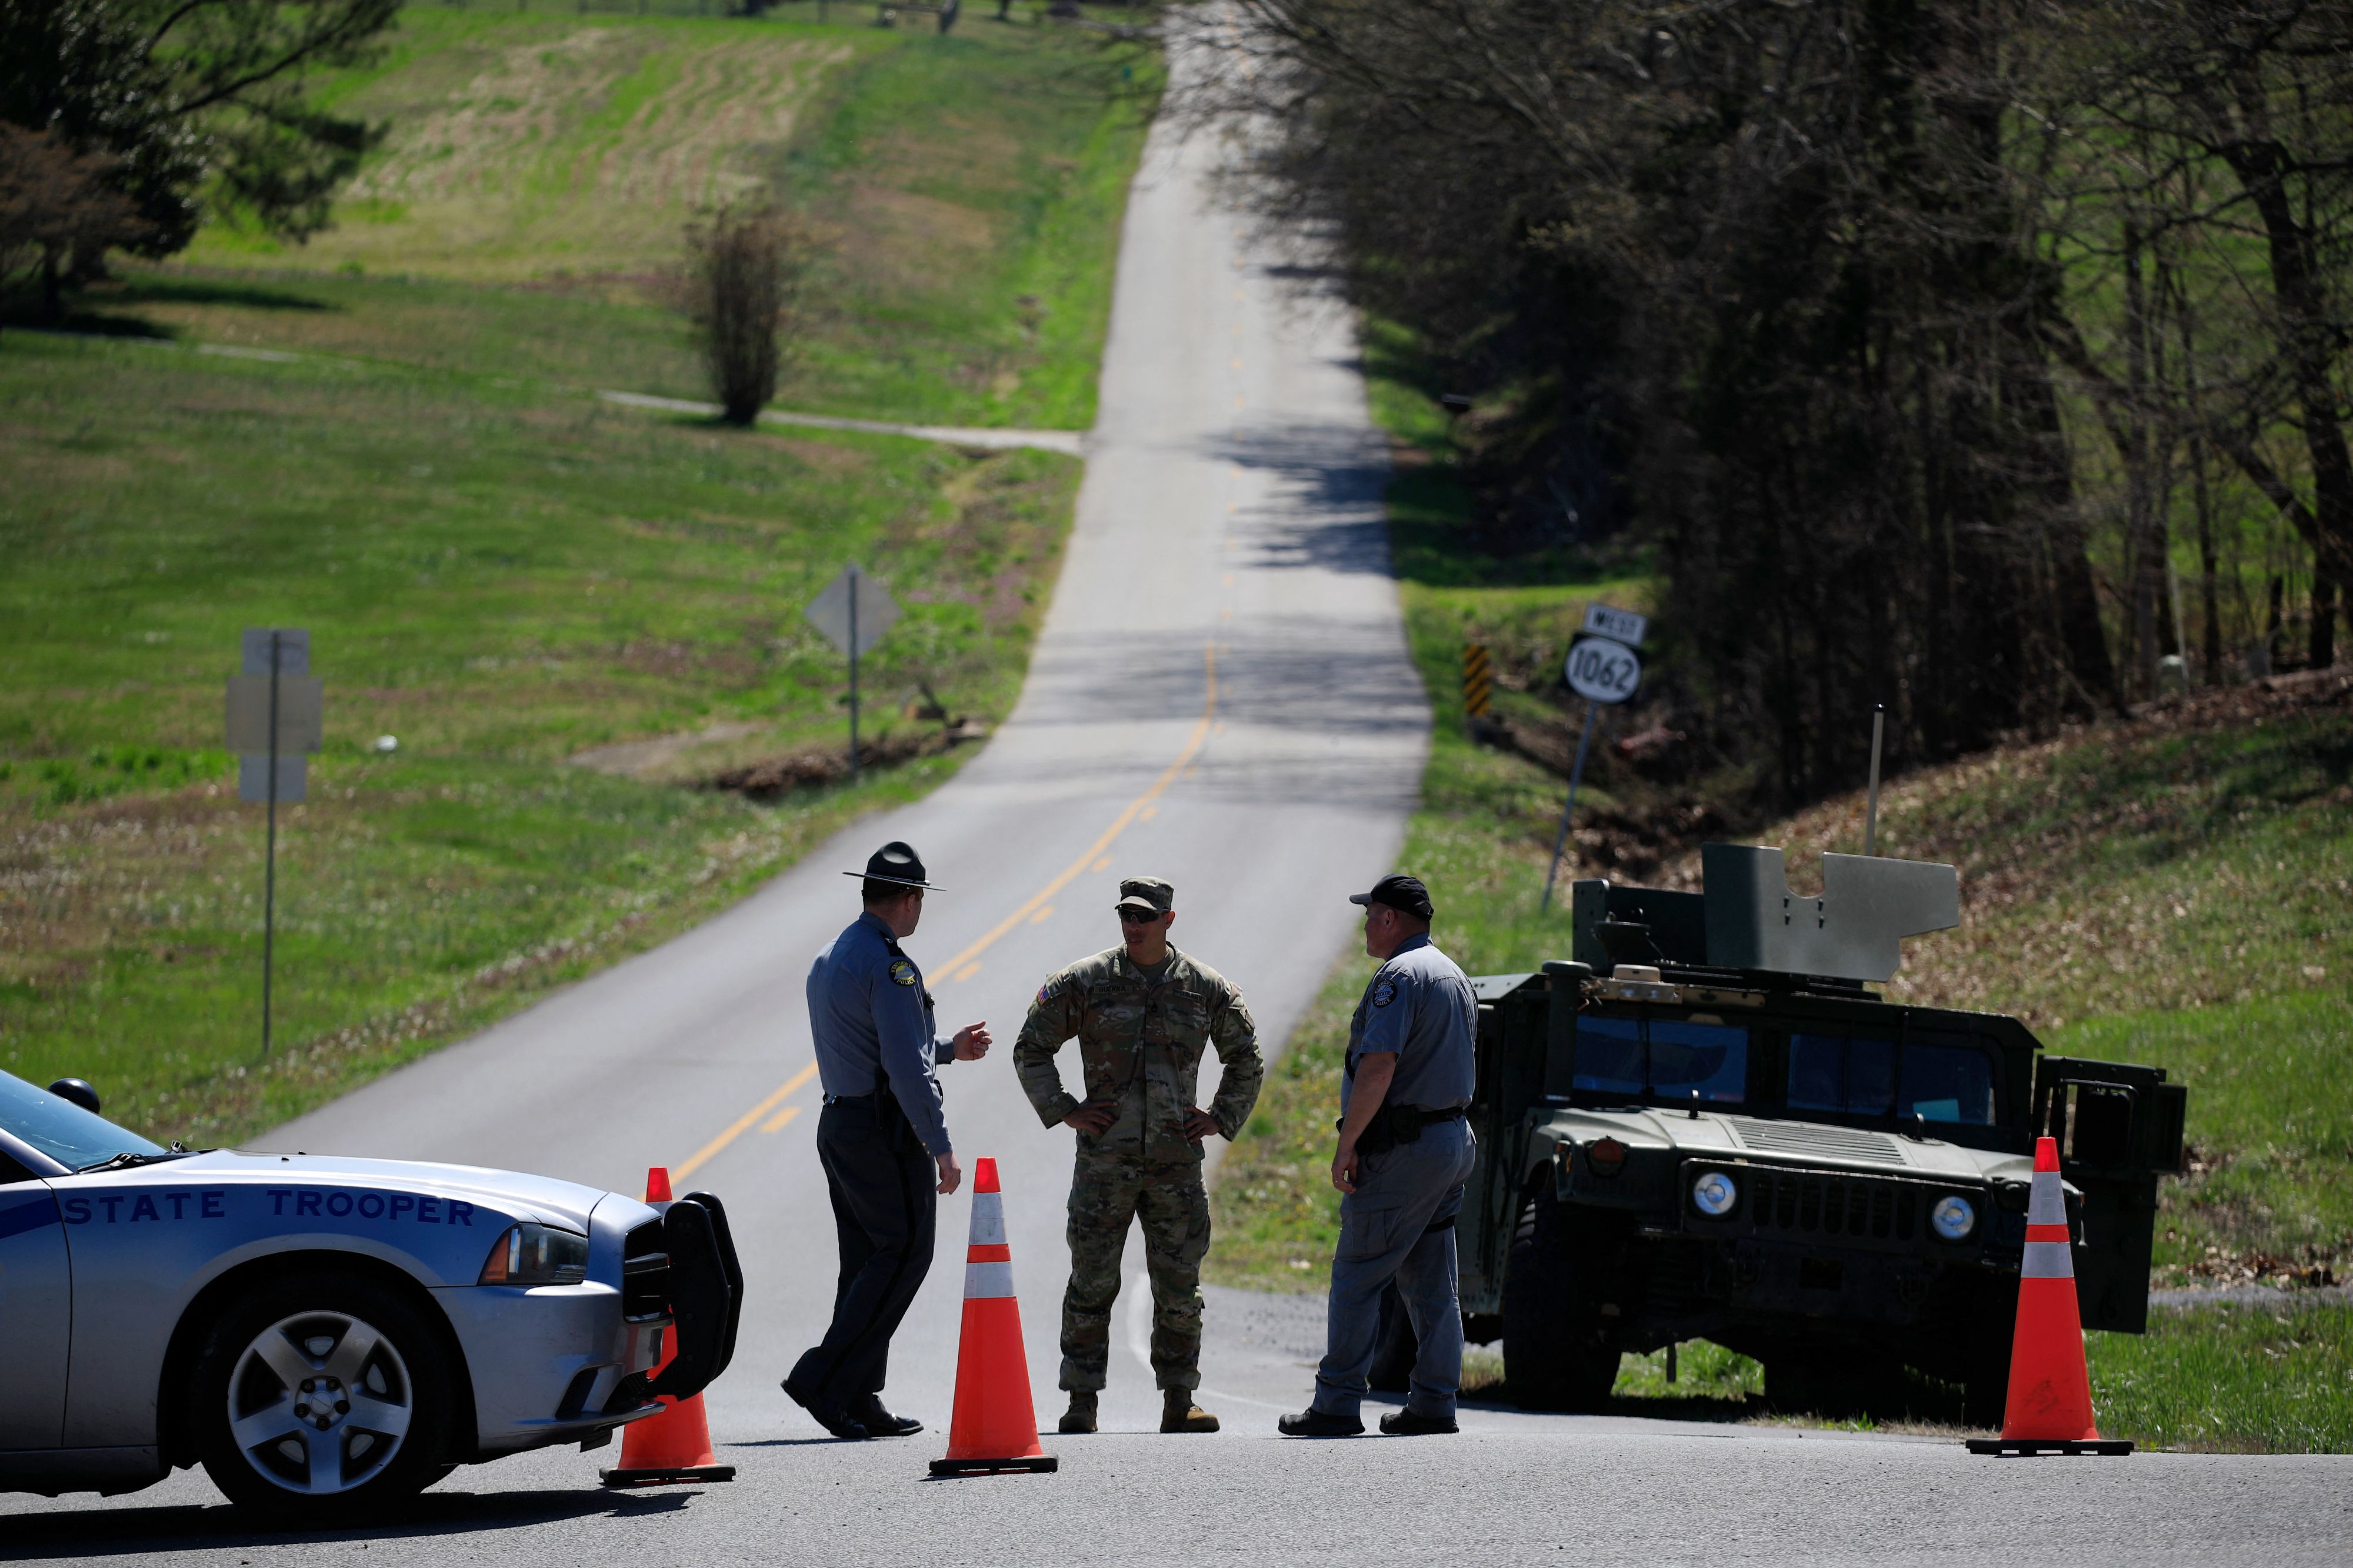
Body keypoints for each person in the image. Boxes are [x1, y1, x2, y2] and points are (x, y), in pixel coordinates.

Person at [1013, 876, 1262, 1435]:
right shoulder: (1085, 982)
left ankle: (1180, 1399)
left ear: (1169, 921)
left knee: (1179, 1285)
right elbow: (1032, 1046)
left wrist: (1220, 1117)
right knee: (1092, 1280)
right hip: (1106, 1163)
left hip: (1175, 1164)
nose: (1134, 925)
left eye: (1146, 917)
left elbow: (1246, 1057)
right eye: (1127, 914)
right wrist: (1065, 1108)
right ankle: (1081, 1401)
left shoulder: (1204, 988)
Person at [784, 840, 991, 1441]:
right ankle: (823, 1378)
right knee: (904, 1252)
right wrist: (942, 1145)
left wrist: (949, 1047)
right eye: (919, 898)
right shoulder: (889, 965)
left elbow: (881, 1047)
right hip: (881, 1129)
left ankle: (858, 1391)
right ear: (908, 898)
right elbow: (903, 1067)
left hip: (843, 1123)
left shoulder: (834, 954)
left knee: (868, 1260)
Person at [1279, 873, 1477, 1437]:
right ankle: (1435, 1402)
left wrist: (1348, 1144)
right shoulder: (1455, 975)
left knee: (1359, 1273)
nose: (1366, 922)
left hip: (1405, 1149)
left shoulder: (1399, 976)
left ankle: (1337, 1403)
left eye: (1371, 913)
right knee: (1431, 1280)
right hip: (1450, 1143)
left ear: (1391, 918)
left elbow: (1380, 1065)